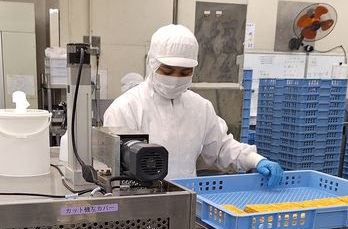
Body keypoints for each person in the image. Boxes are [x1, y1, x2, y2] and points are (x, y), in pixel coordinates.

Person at [104, 24, 283, 184]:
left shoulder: (200, 107)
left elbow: (221, 147)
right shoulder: (126, 109)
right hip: (141, 202)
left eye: (184, 72)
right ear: (152, 64)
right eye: (168, 71)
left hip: (188, 199)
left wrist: (255, 160)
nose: (176, 78)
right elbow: (113, 169)